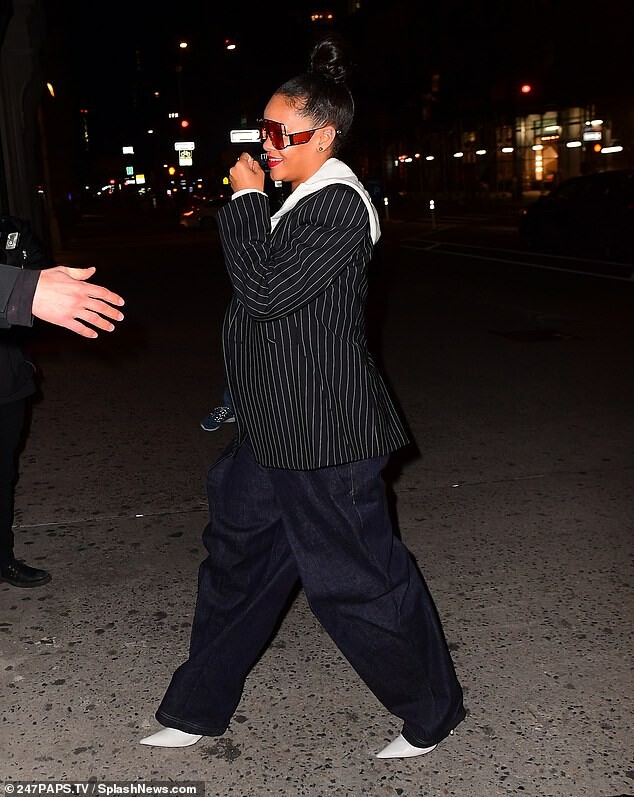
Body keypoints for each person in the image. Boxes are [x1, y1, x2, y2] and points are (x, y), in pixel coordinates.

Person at [140, 35, 465, 759]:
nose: (267, 143)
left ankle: (433, 710)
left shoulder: (339, 205)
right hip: (271, 427)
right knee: (236, 568)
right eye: (263, 129)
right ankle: (197, 708)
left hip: (326, 433)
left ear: (323, 136)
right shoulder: (301, 201)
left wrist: (245, 201)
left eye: (280, 132)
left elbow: (263, 293)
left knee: (357, 581)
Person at [1, 215, 124, 587]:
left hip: (6, 376)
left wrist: (36, 286)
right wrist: (19, 288)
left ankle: (2, 558)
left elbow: (40, 281)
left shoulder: (11, 228)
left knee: (3, 474)